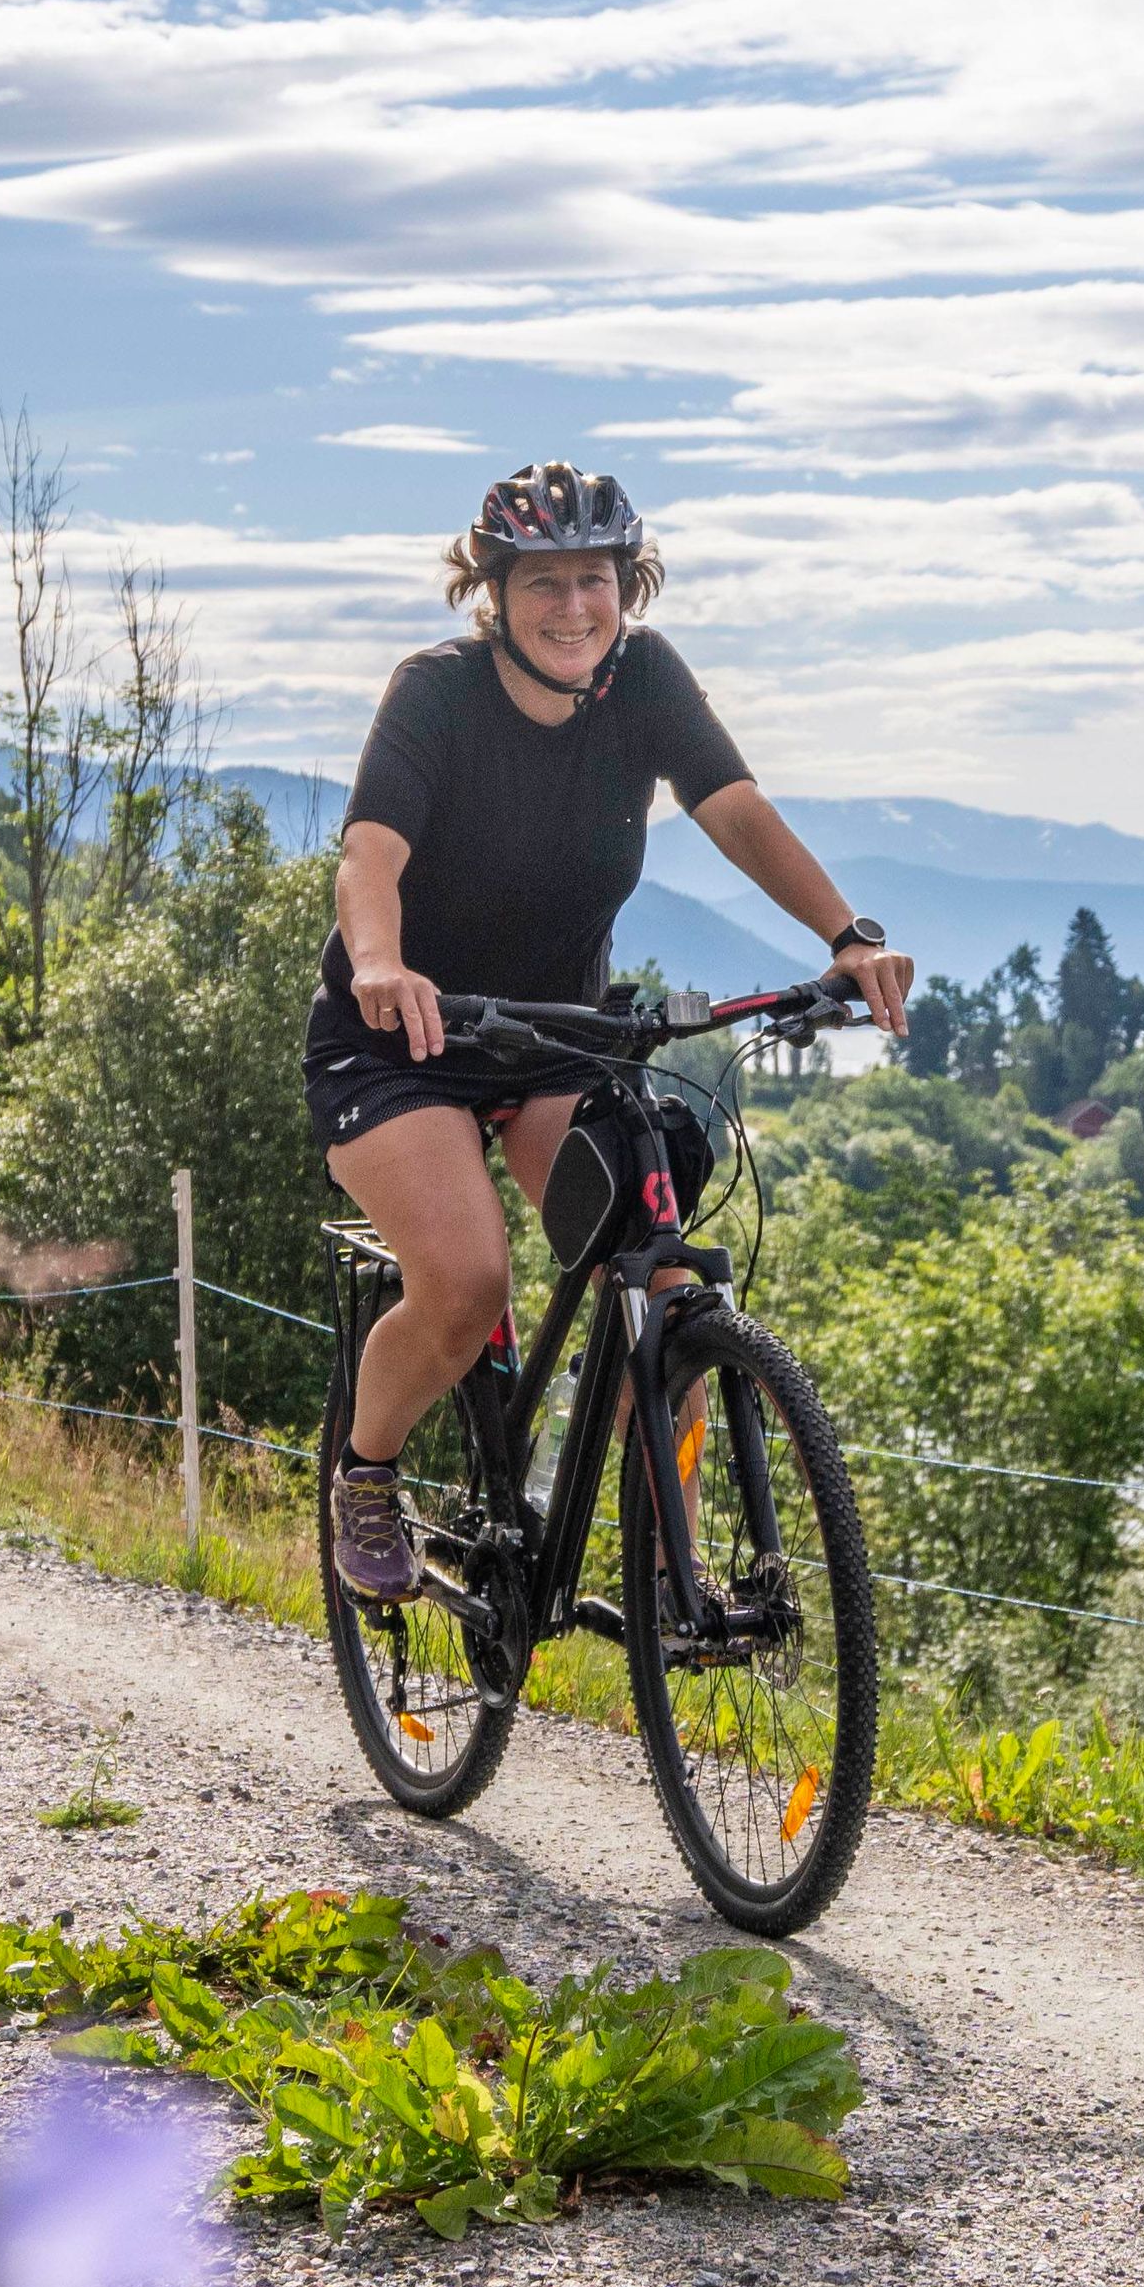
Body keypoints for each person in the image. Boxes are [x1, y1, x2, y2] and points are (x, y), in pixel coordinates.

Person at [317, 467, 919, 1597]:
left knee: (660, 1279)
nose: (572, 606)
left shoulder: (643, 679)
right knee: (465, 1282)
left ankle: (665, 1588)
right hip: (401, 1040)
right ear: (494, 591)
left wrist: (847, 933)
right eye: (542, 580)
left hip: (553, 1038)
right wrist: (380, 963)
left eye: (593, 577)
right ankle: (366, 1470)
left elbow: (732, 805)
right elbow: (371, 856)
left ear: (625, 585)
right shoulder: (434, 693)